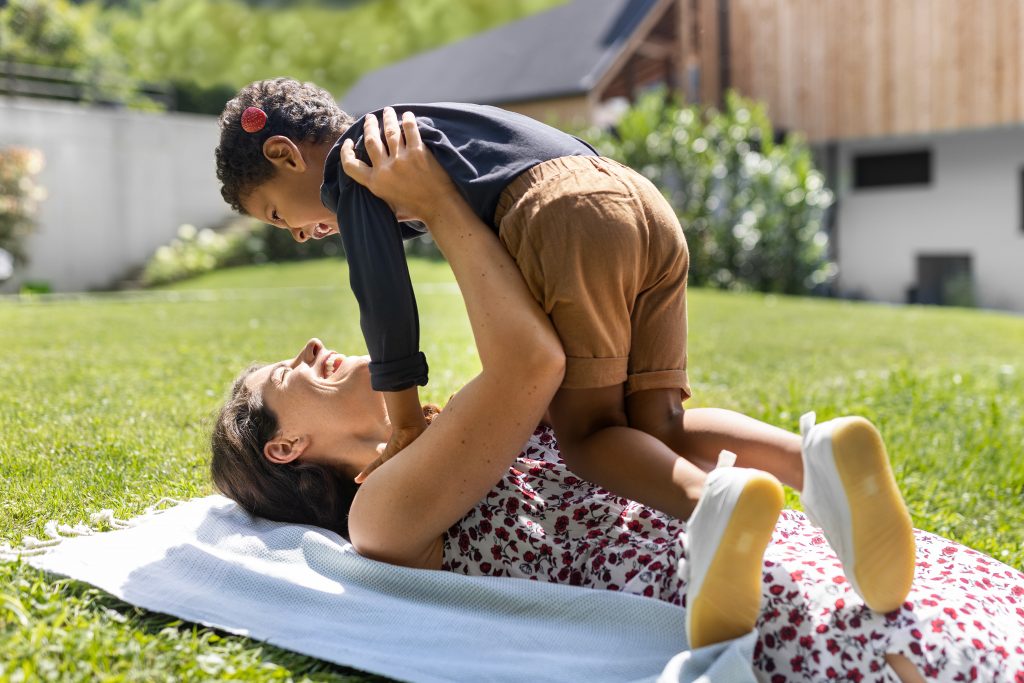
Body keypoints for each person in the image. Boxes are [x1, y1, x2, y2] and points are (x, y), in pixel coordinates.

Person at [210, 115, 1024, 681]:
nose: (310, 349)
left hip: (745, 540)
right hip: (703, 577)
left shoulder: (447, 425)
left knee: (633, 427)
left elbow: (557, 381)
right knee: (907, 643)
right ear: (285, 449)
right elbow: (533, 359)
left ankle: (786, 478)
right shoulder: (378, 518)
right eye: (282, 376)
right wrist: (434, 199)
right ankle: (802, 460)